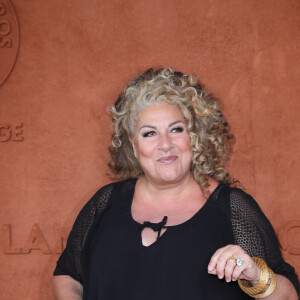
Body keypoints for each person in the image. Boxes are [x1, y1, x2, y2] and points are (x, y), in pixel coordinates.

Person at [52, 67, 299, 299]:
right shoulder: (105, 202)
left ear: (194, 137)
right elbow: (67, 276)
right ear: (134, 147)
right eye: (149, 133)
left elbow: (289, 295)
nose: (165, 144)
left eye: (176, 129)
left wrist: (255, 275)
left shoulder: (232, 209)